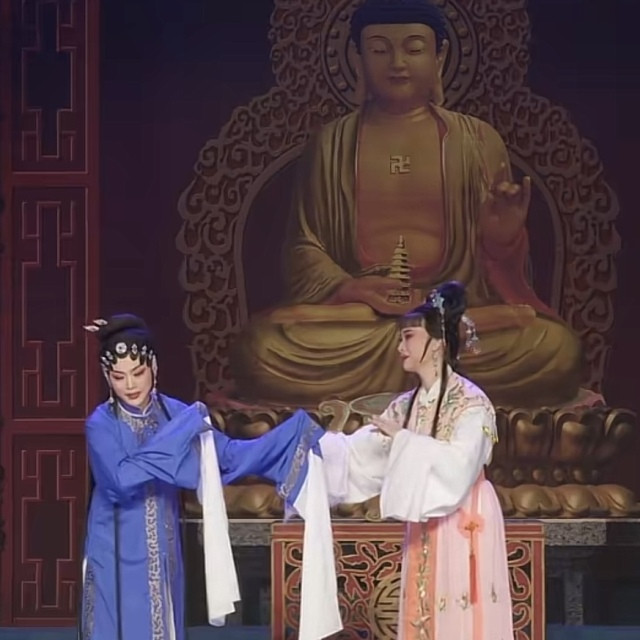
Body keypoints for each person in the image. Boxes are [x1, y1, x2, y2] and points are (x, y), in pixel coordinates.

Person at [231, 0, 582, 408]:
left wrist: (501, 239)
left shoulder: (476, 141)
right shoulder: (331, 144)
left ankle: (409, 375)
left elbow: (495, 277)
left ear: (440, 57)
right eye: (379, 49)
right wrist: (352, 288)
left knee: (555, 350)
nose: (397, 63)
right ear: (357, 58)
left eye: (413, 49)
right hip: (361, 326)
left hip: (453, 322)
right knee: (261, 348)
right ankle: (426, 377)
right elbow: (303, 249)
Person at [79, 314, 341, 640]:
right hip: (114, 548)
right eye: (119, 377)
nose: (130, 385)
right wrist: (179, 435)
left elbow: (226, 457)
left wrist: (289, 438)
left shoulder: (174, 413)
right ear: (108, 376)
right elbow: (121, 480)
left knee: (163, 623)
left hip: (163, 545)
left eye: (138, 372)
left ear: (154, 367)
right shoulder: (101, 424)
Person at [317, 281, 514, 639]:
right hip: (425, 524)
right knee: (421, 607)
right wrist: (318, 452)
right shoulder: (406, 405)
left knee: (460, 614)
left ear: (437, 343)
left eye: (408, 337)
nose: (399, 347)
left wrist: (405, 442)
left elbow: (459, 467)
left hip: (464, 516)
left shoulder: (471, 403)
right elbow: (365, 453)